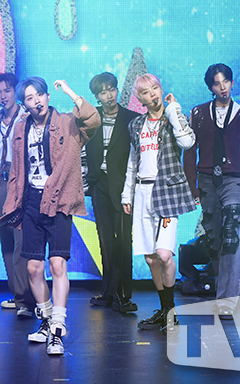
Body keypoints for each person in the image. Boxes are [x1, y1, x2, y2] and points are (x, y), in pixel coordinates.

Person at [0, 77, 100, 355]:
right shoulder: (21, 128)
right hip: (31, 201)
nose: (37, 101)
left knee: (57, 265)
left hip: (58, 200)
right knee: (33, 268)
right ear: (24, 104)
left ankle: (57, 328)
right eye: (30, 98)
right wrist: (13, 202)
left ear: (47, 96)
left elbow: (93, 120)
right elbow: (17, 169)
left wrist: (70, 92)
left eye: (40, 95)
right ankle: (45, 320)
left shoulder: (67, 122)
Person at [183, 63, 240, 318]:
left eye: (226, 81)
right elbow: (189, 151)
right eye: (217, 83)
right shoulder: (198, 113)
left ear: (232, 82)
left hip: (233, 178)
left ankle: (227, 298)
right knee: (214, 237)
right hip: (207, 179)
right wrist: (193, 185)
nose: (223, 87)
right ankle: (224, 288)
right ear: (211, 87)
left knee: (230, 234)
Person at [121, 73, 196, 333]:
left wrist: (174, 110)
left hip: (166, 191)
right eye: (145, 92)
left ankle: (171, 310)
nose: (152, 94)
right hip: (142, 191)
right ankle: (165, 311)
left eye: (155, 88)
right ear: (139, 98)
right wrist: (127, 194)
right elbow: (133, 162)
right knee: (151, 258)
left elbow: (187, 142)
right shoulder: (136, 125)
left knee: (164, 254)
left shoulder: (173, 117)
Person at [85, 72, 140, 313]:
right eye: (103, 92)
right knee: (105, 241)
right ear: (96, 96)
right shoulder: (91, 118)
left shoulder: (131, 119)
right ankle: (108, 293)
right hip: (99, 186)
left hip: (124, 187)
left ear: (117, 90)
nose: (109, 95)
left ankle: (124, 295)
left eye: (112, 89)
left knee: (124, 241)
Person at [0, 73, 34, 318]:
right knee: (5, 237)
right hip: (4, 179)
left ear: (15, 91)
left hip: (24, 178)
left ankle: (26, 298)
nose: (3, 96)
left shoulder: (27, 115)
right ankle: (17, 295)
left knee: (21, 239)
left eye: (7, 90)